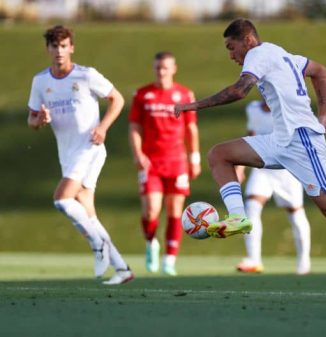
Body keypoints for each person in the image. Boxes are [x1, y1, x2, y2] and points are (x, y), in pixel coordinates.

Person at [174, 18, 326, 280]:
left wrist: (193, 106)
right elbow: (319, 70)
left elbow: (240, 91)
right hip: (280, 140)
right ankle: (239, 217)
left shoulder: (257, 54)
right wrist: (324, 112)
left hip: (302, 141)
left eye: (231, 47)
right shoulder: (282, 55)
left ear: (247, 40)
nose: (231, 55)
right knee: (219, 154)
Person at [27, 25, 133, 285]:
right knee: (87, 211)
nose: (59, 51)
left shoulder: (86, 76)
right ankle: (122, 269)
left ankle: (98, 246)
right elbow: (31, 120)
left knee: (62, 200)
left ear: (71, 47)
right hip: (68, 153)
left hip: (90, 148)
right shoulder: (40, 82)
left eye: (64, 46)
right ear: (48, 49)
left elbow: (117, 99)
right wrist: (40, 119)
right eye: (54, 46)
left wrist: (103, 128)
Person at [128, 51, 200, 276]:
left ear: (173, 68)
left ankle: (170, 259)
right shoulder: (142, 95)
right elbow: (134, 128)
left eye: (166, 68)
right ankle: (151, 243)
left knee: (175, 210)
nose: (162, 72)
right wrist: (138, 153)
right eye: (158, 68)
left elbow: (191, 128)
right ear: (154, 69)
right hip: (151, 162)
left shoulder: (185, 94)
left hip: (177, 161)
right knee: (151, 210)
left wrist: (194, 157)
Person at [235, 100, 311, 275]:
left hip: (287, 169)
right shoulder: (253, 109)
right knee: (252, 206)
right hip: (262, 169)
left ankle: (304, 261)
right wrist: (240, 167)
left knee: (295, 213)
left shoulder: (290, 110)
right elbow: (251, 136)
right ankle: (254, 260)